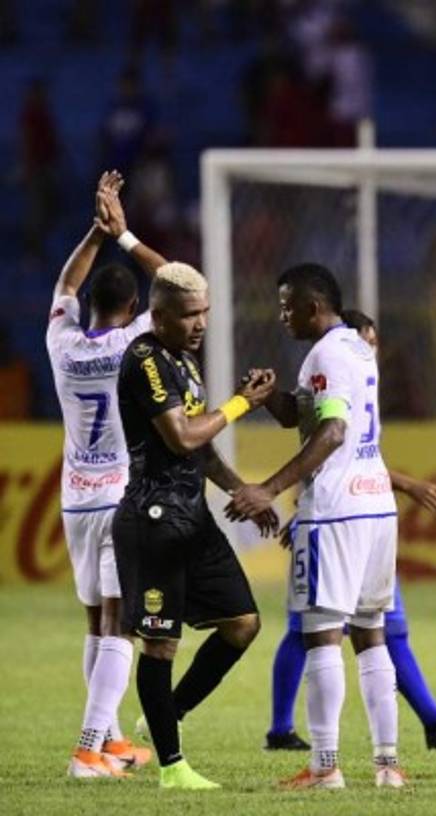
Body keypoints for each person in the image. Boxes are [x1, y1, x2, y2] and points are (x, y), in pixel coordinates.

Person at [261, 308, 436, 753]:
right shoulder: (344, 363)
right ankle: (295, 733)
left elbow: (343, 448)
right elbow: (331, 441)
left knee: (361, 631)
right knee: (332, 631)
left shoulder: (342, 366)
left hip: (350, 514)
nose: (371, 350)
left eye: (375, 343)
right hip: (360, 513)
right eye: (368, 340)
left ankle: (412, 729)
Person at [226, 264, 407, 790]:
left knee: (322, 637)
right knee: (371, 636)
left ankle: (325, 766)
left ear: (312, 306)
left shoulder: (326, 354)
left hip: (337, 510)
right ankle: (387, 763)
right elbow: (306, 417)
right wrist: (271, 400)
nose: (281, 315)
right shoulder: (355, 346)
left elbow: (331, 432)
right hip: (376, 505)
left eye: (287, 306)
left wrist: (270, 488)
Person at [113, 259, 279, 790]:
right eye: (190, 315)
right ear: (158, 317)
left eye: (205, 312)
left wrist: (243, 490)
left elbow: (201, 449)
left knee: (243, 623)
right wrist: (240, 404)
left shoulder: (182, 359)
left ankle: (168, 711)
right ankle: (172, 766)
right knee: (160, 644)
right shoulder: (145, 359)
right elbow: (180, 438)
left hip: (194, 516)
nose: (201, 324)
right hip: (155, 519)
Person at [55, 171, 159, 778]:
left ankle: (112, 741)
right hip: (121, 495)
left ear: (88, 306)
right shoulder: (134, 344)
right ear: (132, 309)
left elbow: (64, 281)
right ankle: (87, 748)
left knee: (97, 621)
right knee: (123, 621)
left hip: (75, 500)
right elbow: (179, 281)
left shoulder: (60, 342)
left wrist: (93, 235)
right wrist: (123, 236)